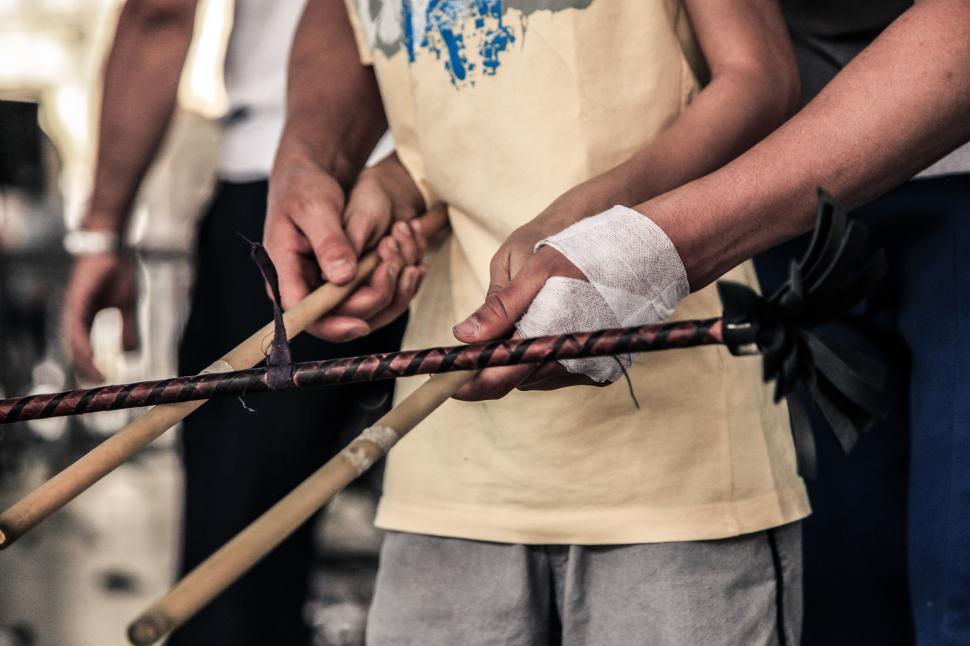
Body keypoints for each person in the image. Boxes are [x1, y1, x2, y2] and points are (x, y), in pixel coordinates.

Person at [268, 0, 809, 643]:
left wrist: (598, 225)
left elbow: (759, 78)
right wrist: (346, 171)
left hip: (679, 474)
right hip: (445, 474)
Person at [465, 1, 970, 644]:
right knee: (841, 580)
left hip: (887, 176)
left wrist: (642, 253)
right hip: (787, 198)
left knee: (956, 580)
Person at [61, 1, 434, 643]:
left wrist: (103, 231)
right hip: (382, 175)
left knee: (237, 569)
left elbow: (159, 13)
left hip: (293, 180)